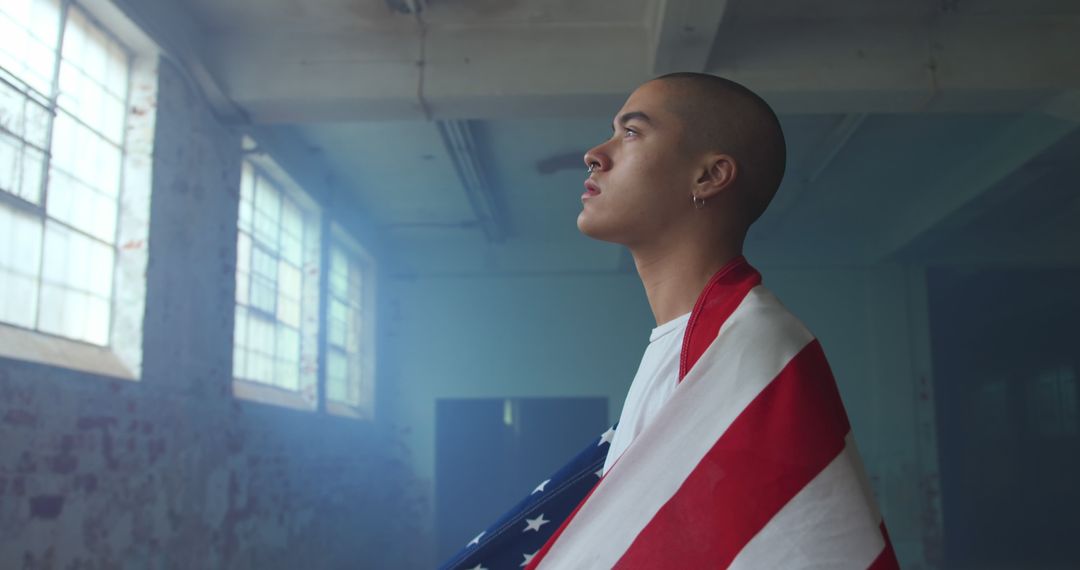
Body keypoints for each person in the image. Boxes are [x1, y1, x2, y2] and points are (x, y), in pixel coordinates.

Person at [442, 73, 898, 570]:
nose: (596, 153)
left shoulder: (754, 347)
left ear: (709, 177)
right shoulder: (686, 342)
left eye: (631, 132)